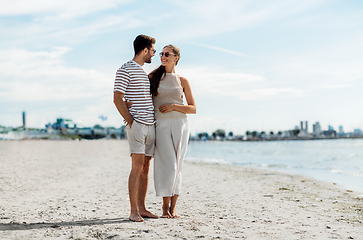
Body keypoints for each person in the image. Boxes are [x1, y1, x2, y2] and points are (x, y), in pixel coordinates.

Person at [113, 34, 159, 222]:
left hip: (151, 124)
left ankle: (142, 207)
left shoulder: (142, 71)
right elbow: (117, 98)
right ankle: (133, 211)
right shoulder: (125, 69)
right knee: (137, 167)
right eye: (153, 51)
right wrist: (131, 122)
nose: (154, 55)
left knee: (146, 168)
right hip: (138, 125)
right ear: (145, 49)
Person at [149, 44, 196, 218]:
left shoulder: (182, 81)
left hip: (181, 125)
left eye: (167, 54)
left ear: (176, 57)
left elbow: (193, 109)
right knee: (167, 165)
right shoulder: (152, 77)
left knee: (178, 165)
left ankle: (173, 208)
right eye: (161, 53)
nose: (162, 56)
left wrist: (174, 106)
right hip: (161, 125)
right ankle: (164, 207)